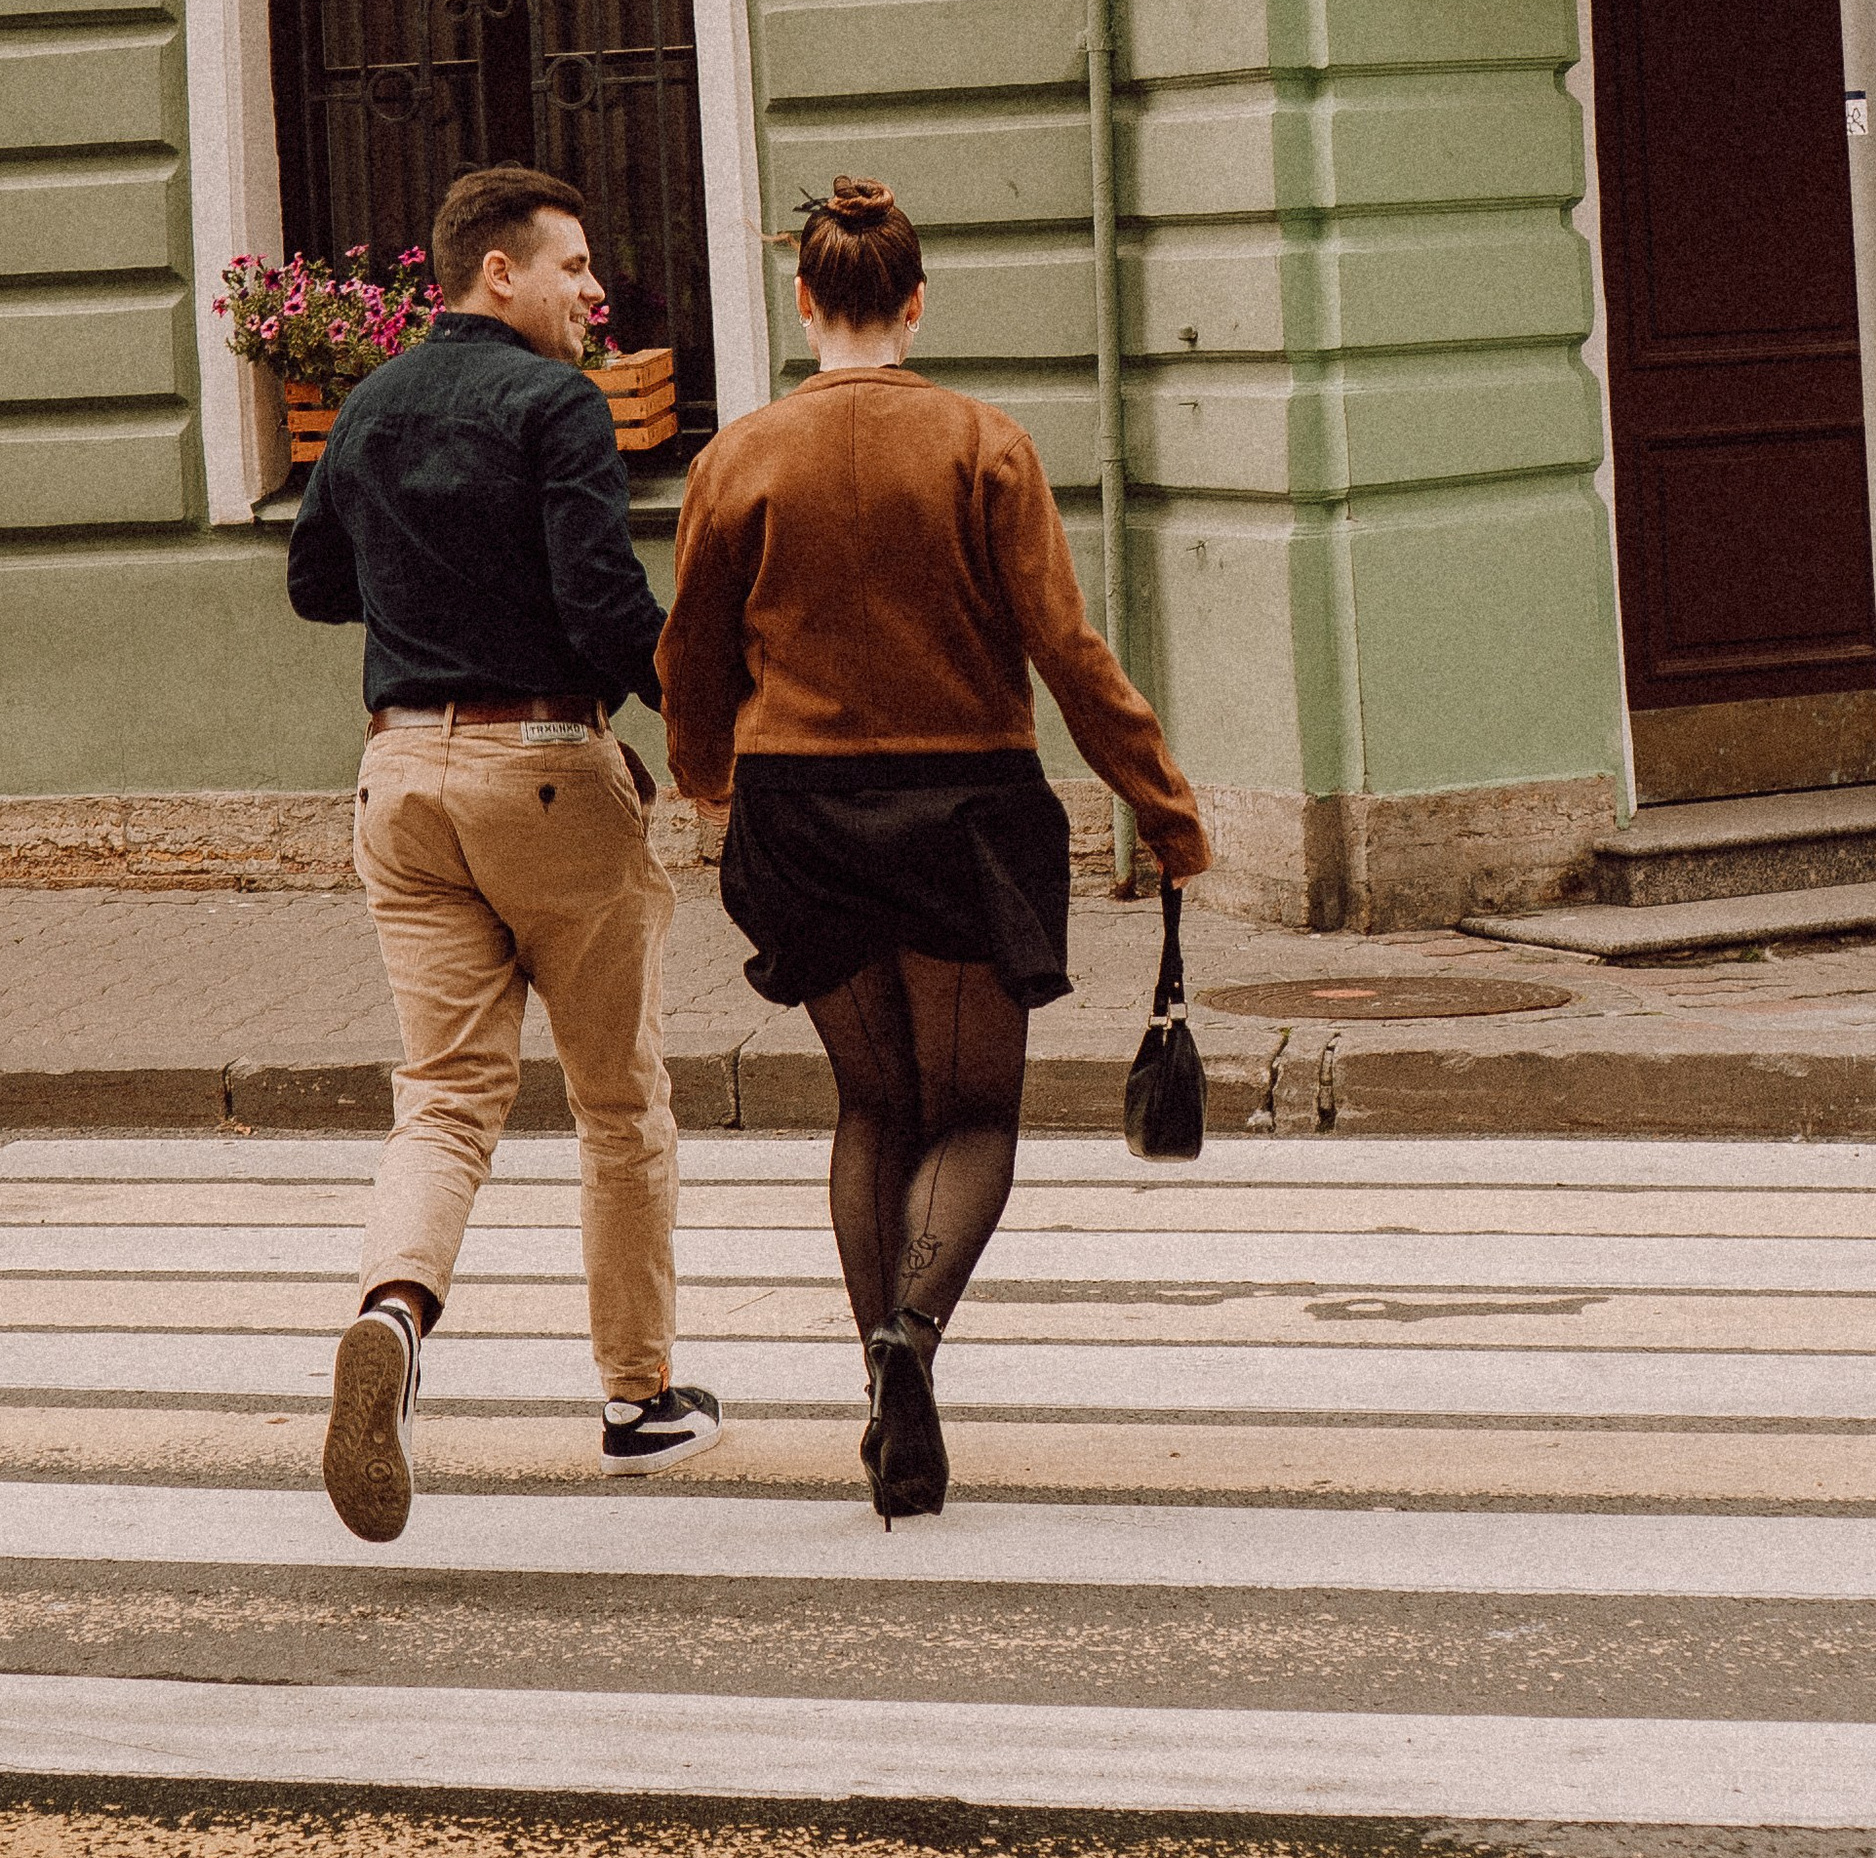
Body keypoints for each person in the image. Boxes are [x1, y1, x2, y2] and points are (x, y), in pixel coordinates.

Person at [658, 175, 1209, 1523]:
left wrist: (706, 775)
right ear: (914, 303)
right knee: (971, 1113)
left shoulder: (740, 457)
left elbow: (691, 650)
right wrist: (1162, 805)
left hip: (802, 808)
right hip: (965, 806)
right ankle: (915, 1338)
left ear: (805, 301)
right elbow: (1066, 653)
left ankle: (874, 1373)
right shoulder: (985, 445)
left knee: (871, 1106)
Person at [287, 161, 721, 1543]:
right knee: (617, 1100)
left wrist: (424, 563)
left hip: (398, 778)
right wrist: (706, 736)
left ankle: (392, 1314)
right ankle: (636, 1396)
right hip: (541, 773)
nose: (598, 295)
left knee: (447, 1098)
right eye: (577, 267)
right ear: (499, 274)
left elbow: (312, 583)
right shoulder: (557, 406)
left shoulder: (364, 404)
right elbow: (603, 604)